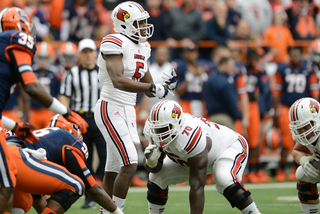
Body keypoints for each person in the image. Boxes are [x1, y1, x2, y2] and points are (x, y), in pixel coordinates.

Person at [0, 7, 88, 213]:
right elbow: (31, 86)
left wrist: (14, 125)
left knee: (21, 203)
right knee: (6, 187)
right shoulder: (16, 38)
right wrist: (66, 112)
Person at [94, 1, 176, 213]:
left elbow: (149, 89)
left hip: (127, 109)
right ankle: (116, 211)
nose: (143, 27)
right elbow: (118, 80)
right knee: (130, 163)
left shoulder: (144, 47)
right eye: (139, 23)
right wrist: (152, 86)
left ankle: (106, 211)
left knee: (113, 169)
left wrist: (164, 87)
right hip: (110, 105)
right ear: (123, 24)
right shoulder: (114, 41)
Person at [143, 100, 261, 214]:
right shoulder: (152, 129)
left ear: (178, 124)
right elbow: (154, 168)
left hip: (228, 148)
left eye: (164, 128)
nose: (159, 132)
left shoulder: (190, 135)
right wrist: (151, 161)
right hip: (188, 158)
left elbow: (197, 186)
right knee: (156, 177)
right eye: (156, 128)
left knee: (224, 179)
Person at [6, 115, 123, 214]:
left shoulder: (43, 142)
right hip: (16, 156)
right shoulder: (69, 140)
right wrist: (118, 212)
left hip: (8, 156)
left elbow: (38, 202)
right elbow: (93, 188)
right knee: (76, 184)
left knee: (22, 204)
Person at [59, 38, 107, 209]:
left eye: (90, 51)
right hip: (79, 119)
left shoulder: (103, 71)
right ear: (80, 54)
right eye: (85, 52)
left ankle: (101, 186)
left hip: (100, 118)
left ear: (95, 53)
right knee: (83, 158)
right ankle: (89, 194)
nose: (88, 55)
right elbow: (64, 99)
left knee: (106, 156)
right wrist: (67, 120)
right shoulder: (71, 73)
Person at [271, 47, 320, 182]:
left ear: (302, 55)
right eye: (292, 55)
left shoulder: (309, 70)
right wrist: (275, 110)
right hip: (287, 108)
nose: (295, 58)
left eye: (297, 55)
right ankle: (282, 169)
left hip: (305, 112)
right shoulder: (282, 70)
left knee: (305, 138)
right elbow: (277, 92)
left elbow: (315, 93)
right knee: (287, 140)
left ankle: (294, 168)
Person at [289, 97, 320, 214]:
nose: (303, 133)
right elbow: (297, 150)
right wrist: (304, 160)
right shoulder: (311, 133)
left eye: (306, 127)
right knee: (302, 173)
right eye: (299, 128)